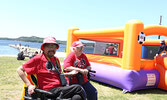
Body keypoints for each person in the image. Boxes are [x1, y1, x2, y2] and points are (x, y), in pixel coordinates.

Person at [17, 37, 86, 100]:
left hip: (59, 89)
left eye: (54, 46)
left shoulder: (56, 59)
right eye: (48, 46)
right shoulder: (38, 59)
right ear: (43, 47)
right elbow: (19, 70)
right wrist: (29, 85)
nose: (51, 49)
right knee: (78, 88)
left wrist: (69, 74)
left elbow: (57, 75)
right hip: (48, 91)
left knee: (77, 97)